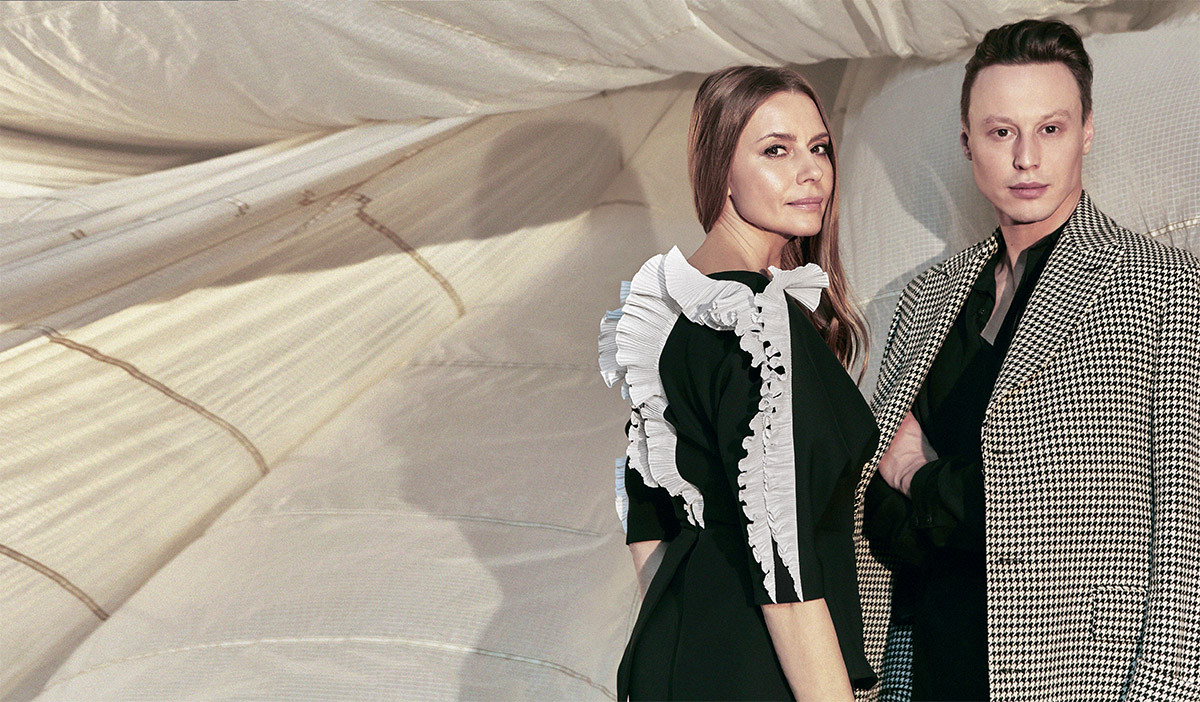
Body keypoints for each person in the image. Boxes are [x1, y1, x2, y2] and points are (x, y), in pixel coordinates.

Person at [858, 19, 1200, 701]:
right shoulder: (926, 299)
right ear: (967, 142)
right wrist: (929, 502)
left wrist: (921, 480)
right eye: (1000, 132)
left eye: (1050, 128)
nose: (1026, 158)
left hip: (1079, 676)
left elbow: (1178, 529)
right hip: (921, 674)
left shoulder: (1163, 286)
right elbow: (874, 515)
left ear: (1087, 132)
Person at [598, 65, 879, 700]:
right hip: (761, 670)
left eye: (819, 148)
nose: (810, 171)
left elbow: (646, 519)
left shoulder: (667, 310)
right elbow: (786, 573)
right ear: (720, 168)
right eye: (776, 150)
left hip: (674, 655)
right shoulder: (757, 320)